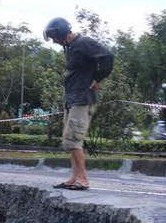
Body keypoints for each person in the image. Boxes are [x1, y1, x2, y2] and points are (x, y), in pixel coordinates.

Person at [43, 17, 114, 190]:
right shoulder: (71, 48)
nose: (53, 41)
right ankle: (74, 177)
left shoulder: (83, 43)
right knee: (69, 140)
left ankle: (83, 179)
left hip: (83, 99)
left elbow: (108, 56)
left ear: (60, 32)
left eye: (53, 36)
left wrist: (98, 78)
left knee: (74, 140)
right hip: (72, 100)